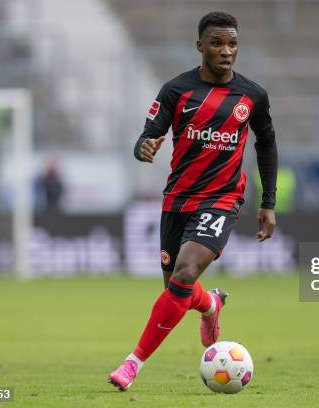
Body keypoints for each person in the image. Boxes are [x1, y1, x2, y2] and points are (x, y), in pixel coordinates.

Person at [109, 12, 277, 391]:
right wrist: (144, 147)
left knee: (185, 274)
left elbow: (267, 143)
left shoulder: (252, 95)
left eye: (232, 44)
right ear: (200, 45)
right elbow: (147, 136)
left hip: (221, 198)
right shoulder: (176, 90)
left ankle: (132, 363)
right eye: (217, 43)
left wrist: (268, 201)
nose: (226, 51)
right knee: (177, 290)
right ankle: (211, 305)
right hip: (178, 199)